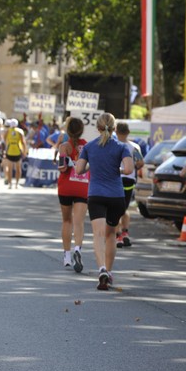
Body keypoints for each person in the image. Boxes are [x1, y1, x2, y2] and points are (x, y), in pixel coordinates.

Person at [75, 112, 134, 290]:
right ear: (114, 128)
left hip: (96, 195)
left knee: (98, 235)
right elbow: (129, 169)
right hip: (116, 196)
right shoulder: (121, 146)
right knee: (110, 235)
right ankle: (108, 271)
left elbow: (79, 170)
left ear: (97, 128)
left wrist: (92, 165)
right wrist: (117, 169)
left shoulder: (89, 146)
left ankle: (101, 268)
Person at [57, 117, 89, 272]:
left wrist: (68, 161)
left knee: (66, 221)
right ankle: (78, 249)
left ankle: (67, 256)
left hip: (66, 187)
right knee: (79, 221)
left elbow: (62, 168)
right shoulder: (88, 146)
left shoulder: (64, 146)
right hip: (83, 186)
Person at [114, 122, 145, 248]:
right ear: (128, 132)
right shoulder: (134, 147)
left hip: (116, 179)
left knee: (115, 209)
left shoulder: (114, 146)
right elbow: (141, 163)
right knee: (124, 208)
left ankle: (118, 235)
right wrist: (134, 166)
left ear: (116, 132)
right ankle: (125, 233)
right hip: (129, 180)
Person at [4, 118, 27, 189]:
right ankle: (16, 184)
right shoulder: (20, 131)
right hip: (17, 150)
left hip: (9, 150)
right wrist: (24, 151)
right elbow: (23, 142)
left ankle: (10, 184)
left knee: (10, 168)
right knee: (18, 168)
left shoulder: (7, 131)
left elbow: (5, 140)